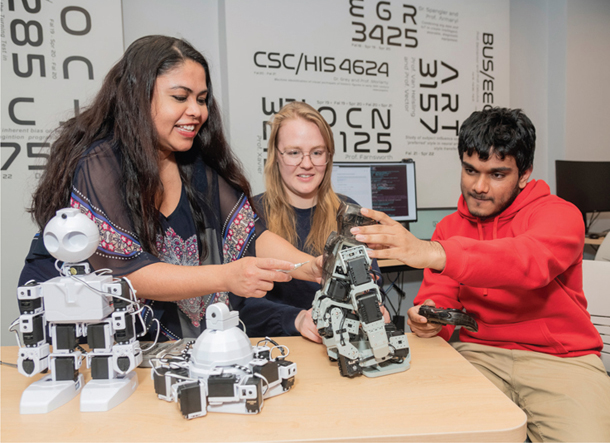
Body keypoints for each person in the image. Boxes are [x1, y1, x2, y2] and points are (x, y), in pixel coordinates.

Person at [19, 36, 322, 341]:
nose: (197, 111)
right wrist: (226, 276)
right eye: (180, 97)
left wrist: (309, 267)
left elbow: (248, 234)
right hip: (83, 342)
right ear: (137, 97)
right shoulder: (101, 165)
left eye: (201, 99)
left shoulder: (194, 167)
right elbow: (127, 274)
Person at [350, 107, 610, 441]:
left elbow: (526, 261)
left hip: (561, 360)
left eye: (497, 174)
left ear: (525, 173)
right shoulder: (450, 227)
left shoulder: (560, 215)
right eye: (470, 170)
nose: (479, 186)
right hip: (480, 355)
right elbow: (441, 295)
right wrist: (427, 316)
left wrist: (433, 251)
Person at [235, 101, 383, 342]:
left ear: (328, 156)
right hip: (276, 347)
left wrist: (376, 308)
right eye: (294, 152)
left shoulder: (351, 214)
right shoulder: (249, 216)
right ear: (276, 156)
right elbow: (240, 307)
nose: (307, 163)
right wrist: (296, 319)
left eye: (317, 152)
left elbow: (371, 284)